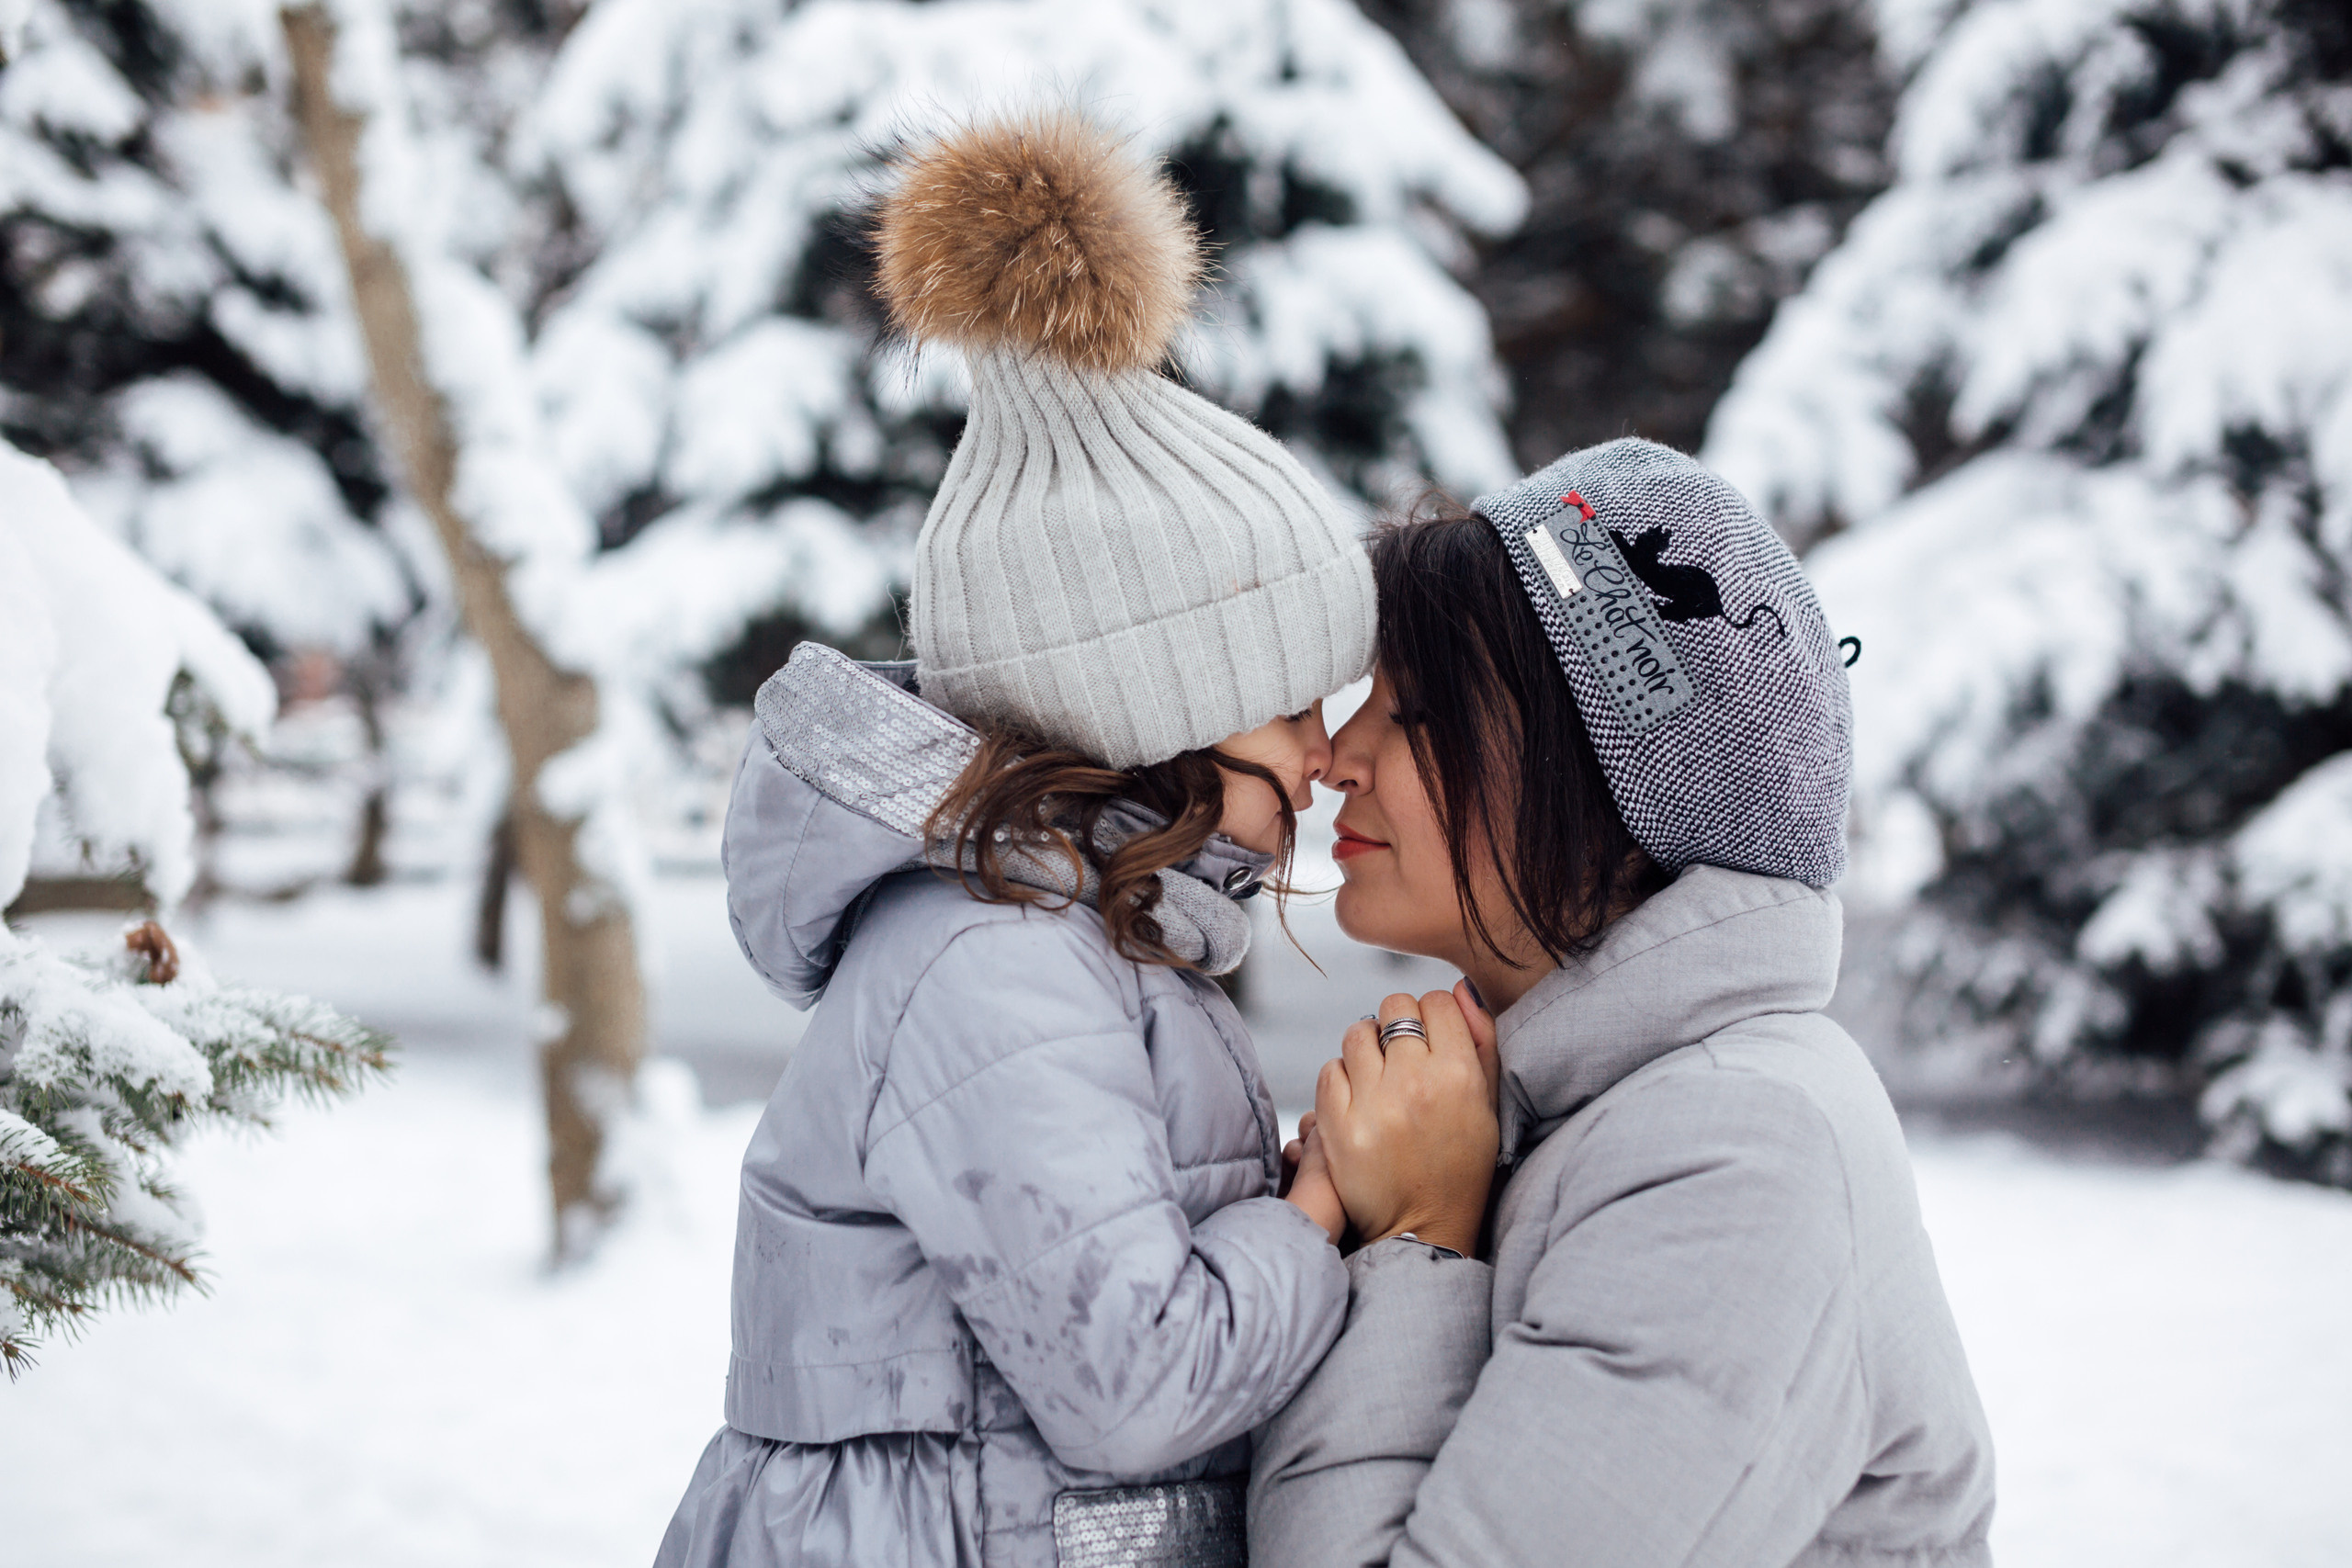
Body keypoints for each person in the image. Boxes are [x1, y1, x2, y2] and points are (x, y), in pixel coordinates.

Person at [654, 110, 1374, 1568]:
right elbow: (1133, 1378)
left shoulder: (1083, 935)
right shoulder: (994, 958)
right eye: (1289, 698)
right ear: (1163, 697)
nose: (1321, 746)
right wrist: (1329, 1202)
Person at [1252, 441, 1997, 1567]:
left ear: (1596, 776)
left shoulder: (1737, 1157)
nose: (1340, 756)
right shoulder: (1594, 1107)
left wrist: (1415, 1244)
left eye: (1414, 714)